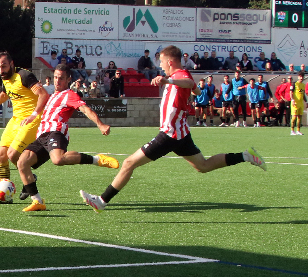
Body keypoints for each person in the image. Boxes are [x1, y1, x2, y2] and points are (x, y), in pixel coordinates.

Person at [80, 45, 266, 212]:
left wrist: (169, 82)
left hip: (170, 134)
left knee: (129, 163)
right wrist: (191, 89)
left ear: (170, 62)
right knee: (203, 166)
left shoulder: (179, 75)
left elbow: (186, 82)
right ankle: (247, 155)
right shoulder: (177, 77)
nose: (160, 66)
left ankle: (102, 201)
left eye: (161, 62)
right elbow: (195, 89)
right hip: (181, 133)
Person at [17, 64, 118, 211]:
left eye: (61, 78)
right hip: (42, 136)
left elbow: (85, 109)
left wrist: (100, 124)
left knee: (58, 159)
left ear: (68, 79)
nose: (57, 81)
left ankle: (97, 160)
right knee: (22, 163)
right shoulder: (53, 95)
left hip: (56, 132)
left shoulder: (69, 94)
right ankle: (37, 201)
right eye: (56, 77)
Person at [0, 51, 49, 204]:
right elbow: (4, 94)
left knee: (13, 154)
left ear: (12, 64)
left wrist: (34, 114)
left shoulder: (25, 76)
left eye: (4, 66)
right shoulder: (5, 78)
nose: (1, 70)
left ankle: (28, 178)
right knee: (0, 156)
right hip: (15, 120)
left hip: (31, 120)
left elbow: (43, 95)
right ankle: (3, 195)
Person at [292, 71, 305, 136]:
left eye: (302, 76)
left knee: (300, 117)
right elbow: (291, 92)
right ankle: (292, 131)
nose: (301, 78)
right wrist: (292, 100)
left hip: (301, 103)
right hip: (295, 103)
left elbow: (303, 94)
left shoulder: (303, 85)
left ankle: (298, 131)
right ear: (298, 77)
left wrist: (306, 101)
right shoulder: (294, 84)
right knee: (294, 117)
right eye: (300, 76)